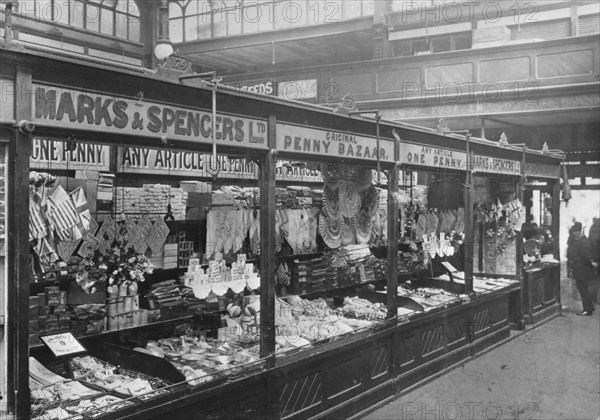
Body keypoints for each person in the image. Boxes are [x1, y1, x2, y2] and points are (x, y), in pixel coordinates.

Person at [566, 222, 598, 316]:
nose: (573, 233)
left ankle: (587, 309)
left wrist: (589, 264)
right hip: (580, 268)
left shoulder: (583, 241)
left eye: (575, 231)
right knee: (583, 289)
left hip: (582, 269)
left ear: (579, 231)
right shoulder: (579, 240)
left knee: (583, 289)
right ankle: (589, 308)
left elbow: (586, 256)